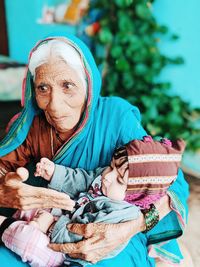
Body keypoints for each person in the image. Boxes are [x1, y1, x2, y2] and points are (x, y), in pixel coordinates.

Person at [0, 35, 190, 267]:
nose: (54, 105)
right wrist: (4, 193)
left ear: (88, 85)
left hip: (111, 231)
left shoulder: (115, 117)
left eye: (67, 86)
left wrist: (133, 226)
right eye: (43, 88)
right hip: (47, 222)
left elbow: (169, 180)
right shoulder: (29, 125)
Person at [0, 136, 186, 267]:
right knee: (40, 199)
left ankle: (6, 225)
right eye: (112, 167)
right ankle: (21, 218)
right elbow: (81, 179)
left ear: (138, 196)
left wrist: (50, 225)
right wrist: (55, 172)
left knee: (28, 242)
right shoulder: (105, 179)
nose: (107, 176)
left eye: (120, 180)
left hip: (62, 250)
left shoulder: (124, 214)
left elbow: (82, 237)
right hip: (60, 215)